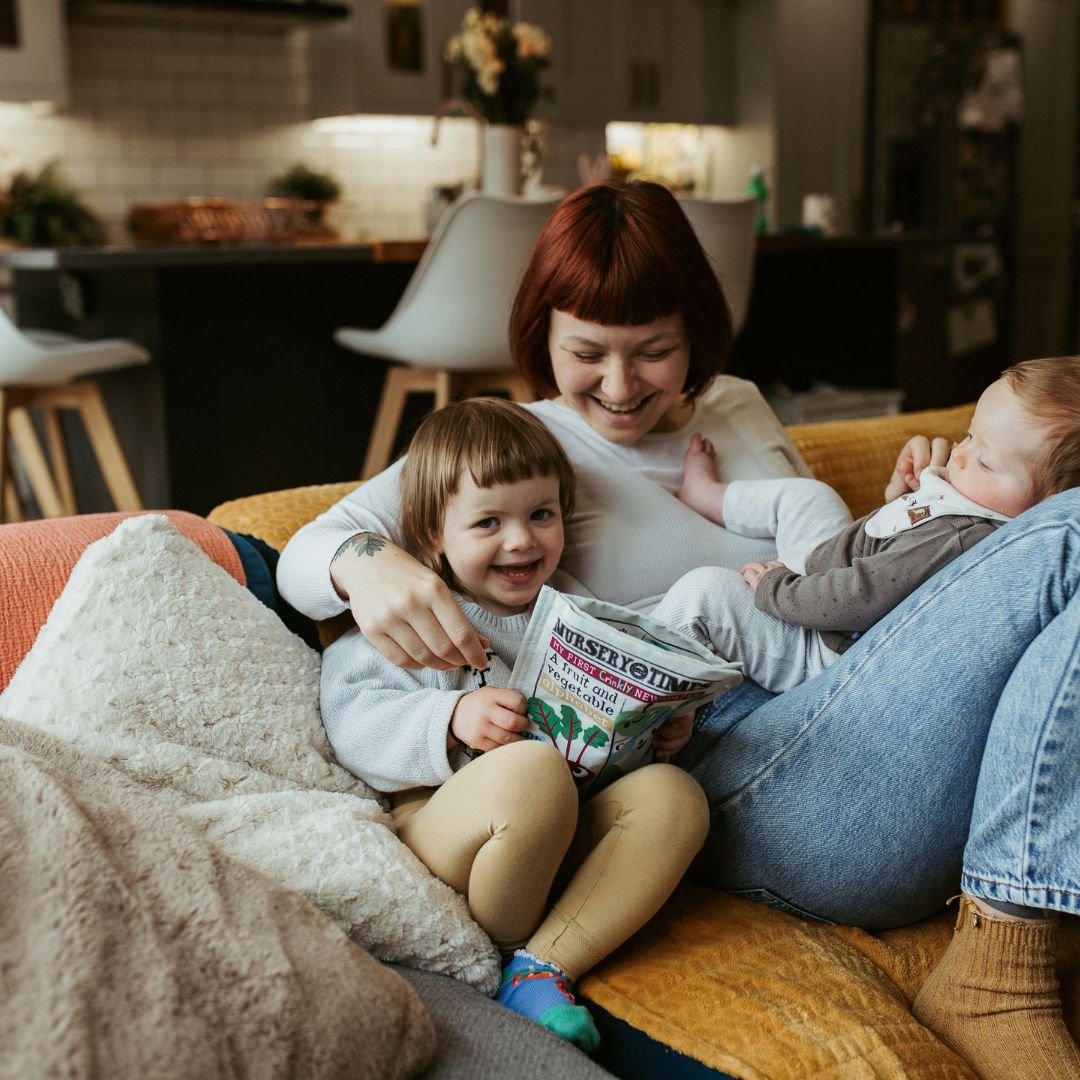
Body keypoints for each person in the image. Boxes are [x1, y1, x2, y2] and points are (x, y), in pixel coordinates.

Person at [278, 180, 1080, 1080]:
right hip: (747, 775)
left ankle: (1004, 947)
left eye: (654, 351)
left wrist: (927, 508)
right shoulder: (518, 449)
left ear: (696, 331)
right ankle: (1002, 974)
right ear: (541, 335)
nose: (619, 388)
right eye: (585, 352)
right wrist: (364, 560)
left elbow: (834, 585)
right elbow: (301, 555)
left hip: (865, 710)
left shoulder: (736, 409)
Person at [318, 395, 709, 1053]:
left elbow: (604, 754)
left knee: (675, 798)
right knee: (531, 770)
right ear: (433, 534)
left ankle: (540, 968)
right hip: (446, 830)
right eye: (489, 523)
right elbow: (350, 722)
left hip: (560, 833)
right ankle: (494, 947)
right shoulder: (409, 617)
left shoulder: (582, 615)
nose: (522, 539)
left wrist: (658, 736)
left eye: (540, 515)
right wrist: (449, 717)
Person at [652, 357, 1079, 694]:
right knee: (812, 495)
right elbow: (903, 562)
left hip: (822, 646)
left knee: (705, 592)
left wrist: (777, 588)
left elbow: (864, 594)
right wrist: (906, 498)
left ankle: (617, 683)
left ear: (1050, 507)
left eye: (985, 461)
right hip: (824, 587)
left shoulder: (966, 538)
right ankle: (709, 495)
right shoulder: (973, 508)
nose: (960, 455)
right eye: (969, 436)